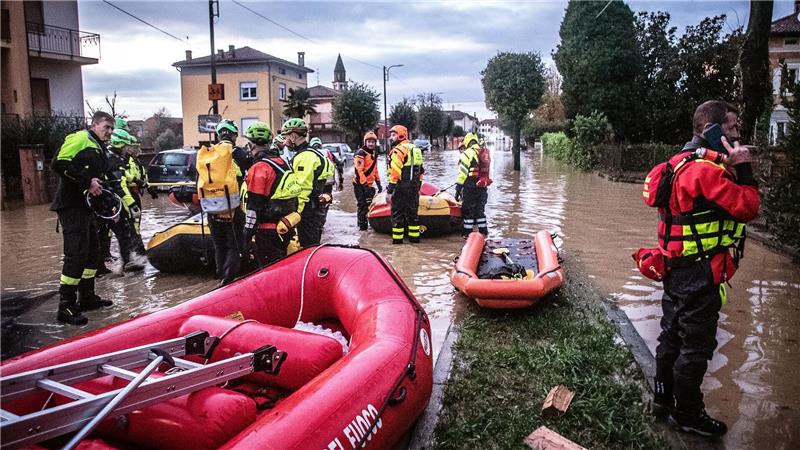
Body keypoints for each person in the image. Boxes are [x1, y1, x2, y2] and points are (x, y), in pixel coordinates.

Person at [651, 100, 760, 437]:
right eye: (732, 128)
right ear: (711, 131)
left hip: (675, 267)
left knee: (671, 335)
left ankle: (662, 401)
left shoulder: (675, 164)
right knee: (696, 346)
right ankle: (688, 413)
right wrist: (743, 166)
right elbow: (749, 207)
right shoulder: (707, 171)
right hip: (700, 272)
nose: (738, 135)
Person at [50, 111, 115, 325]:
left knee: (93, 253)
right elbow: (58, 164)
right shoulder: (80, 138)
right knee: (76, 254)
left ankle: (86, 297)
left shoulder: (98, 146)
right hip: (71, 206)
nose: (109, 132)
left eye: (112, 129)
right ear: (95, 124)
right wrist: (88, 182)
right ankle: (65, 306)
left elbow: (98, 178)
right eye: (106, 127)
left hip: (87, 207)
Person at [242, 122, 301, 266]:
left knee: (268, 269)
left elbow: (254, 206)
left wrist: (246, 234)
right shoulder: (282, 162)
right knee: (281, 265)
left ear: (251, 145)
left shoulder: (259, 168)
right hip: (285, 225)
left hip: (267, 231)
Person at [202, 120, 249, 286]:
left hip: (212, 208)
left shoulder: (209, 153)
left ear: (218, 135)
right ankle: (228, 282)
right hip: (234, 209)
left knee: (219, 246)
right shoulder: (240, 154)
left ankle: (219, 276)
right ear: (234, 135)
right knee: (235, 246)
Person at [98, 129, 146, 272]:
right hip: (109, 202)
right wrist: (131, 205)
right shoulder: (113, 160)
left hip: (107, 200)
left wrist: (140, 182)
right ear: (119, 144)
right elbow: (120, 185)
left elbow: (125, 177)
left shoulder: (113, 158)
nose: (127, 150)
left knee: (116, 232)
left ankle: (104, 266)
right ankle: (126, 263)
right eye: (125, 147)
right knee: (121, 231)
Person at [283, 118, 335, 247]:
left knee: (306, 248)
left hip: (307, 211)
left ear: (294, 136)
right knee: (312, 246)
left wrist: (295, 214)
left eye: (286, 137)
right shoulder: (315, 153)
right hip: (316, 208)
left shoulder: (304, 157)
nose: (284, 142)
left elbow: (302, 190)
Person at [386, 125, 424, 244]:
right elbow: (421, 171)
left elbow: (395, 172)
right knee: (413, 216)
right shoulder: (416, 149)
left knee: (397, 216)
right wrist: (418, 186)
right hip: (413, 188)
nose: (390, 138)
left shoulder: (398, 150)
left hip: (400, 188)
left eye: (393, 135)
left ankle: (397, 246)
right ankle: (414, 241)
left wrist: (389, 191)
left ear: (401, 135)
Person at [455, 132, 491, 236]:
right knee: (480, 211)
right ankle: (484, 234)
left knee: (468, 211)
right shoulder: (485, 152)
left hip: (470, 186)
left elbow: (462, 174)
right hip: (483, 186)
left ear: (467, 141)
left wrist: (458, 190)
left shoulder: (466, 154)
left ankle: (467, 235)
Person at [353, 131, 383, 230]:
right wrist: (364, 185)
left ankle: (364, 225)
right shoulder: (360, 153)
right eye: (369, 141)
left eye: (373, 142)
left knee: (369, 205)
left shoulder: (374, 153)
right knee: (362, 205)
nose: (371, 144)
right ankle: (362, 229)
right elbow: (359, 171)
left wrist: (378, 183)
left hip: (369, 185)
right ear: (365, 142)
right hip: (359, 184)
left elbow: (375, 169)